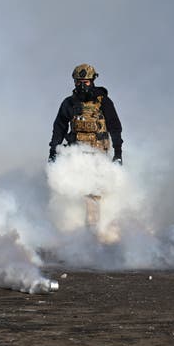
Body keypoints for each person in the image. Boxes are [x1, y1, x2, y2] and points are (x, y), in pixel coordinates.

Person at [48, 63, 123, 242]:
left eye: (86, 82)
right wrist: (53, 151)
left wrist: (118, 153)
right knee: (74, 192)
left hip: (98, 156)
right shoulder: (69, 103)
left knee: (94, 192)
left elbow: (115, 127)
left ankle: (95, 233)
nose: (82, 86)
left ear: (93, 81)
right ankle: (75, 231)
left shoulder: (103, 102)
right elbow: (59, 128)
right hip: (76, 156)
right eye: (78, 82)